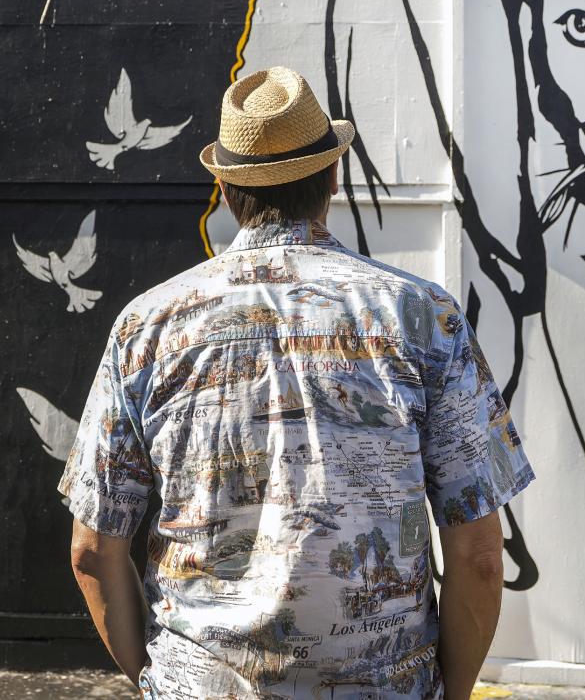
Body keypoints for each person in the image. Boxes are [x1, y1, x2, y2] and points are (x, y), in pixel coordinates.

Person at [58, 66, 534, 699]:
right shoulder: (424, 317)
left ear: (225, 189)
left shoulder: (146, 327)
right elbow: (478, 554)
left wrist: (161, 682)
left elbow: (92, 550)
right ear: (332, 178)